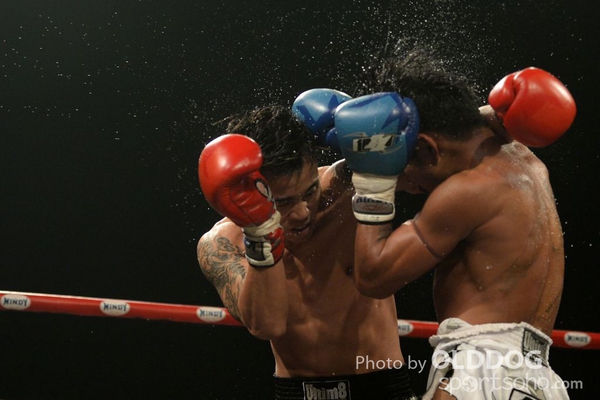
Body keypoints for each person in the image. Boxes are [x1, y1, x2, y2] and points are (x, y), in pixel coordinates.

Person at [332, 49, 575, 399]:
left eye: (400, 164)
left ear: (427, 149)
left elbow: (373, 276)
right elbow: (462, 125)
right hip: (538, 377)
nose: (405, 184)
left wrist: (374, 181)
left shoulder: (467, 191)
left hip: (480, 368)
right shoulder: (526, 160)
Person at [196, 104, 418, 400]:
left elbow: (438, 153)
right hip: (296, 392)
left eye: (310, 191)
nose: (302, 212)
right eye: (284, 202)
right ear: (249, 192)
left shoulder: (345, 189)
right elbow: (268, 324)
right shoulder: (221, 244)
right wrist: (261, 233)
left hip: (381, 386)